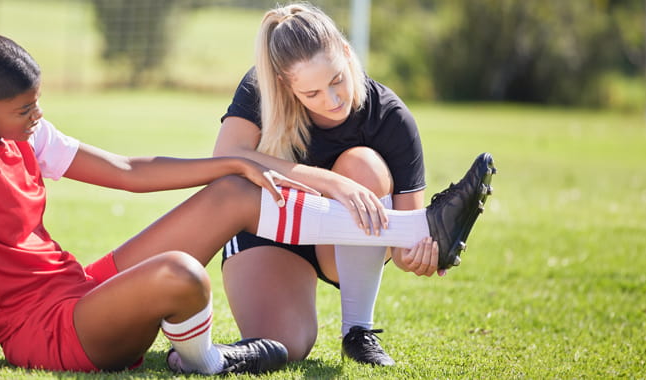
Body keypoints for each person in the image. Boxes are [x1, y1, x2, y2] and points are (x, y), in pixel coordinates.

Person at [0, 33, 491, 375]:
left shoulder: (23, 133)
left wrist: (236, 162)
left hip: (77, 291)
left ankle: (418, 228)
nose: (37, 118)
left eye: (38, 103)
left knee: (232, 191)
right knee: (182, 276)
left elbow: (130, 172)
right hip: (43, 331)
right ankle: (205, 361)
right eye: (23, 109)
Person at [212, 3, 495, 367]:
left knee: (363, 164)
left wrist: (421, 251)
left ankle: (358, 331)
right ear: (285, 83)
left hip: (340, 247)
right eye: (312, 94)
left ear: (347, 53)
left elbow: (401, 251)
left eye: (336, 80)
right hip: (270, 230)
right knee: (284, 345)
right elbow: (225, 157)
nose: (331, 100)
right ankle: (204, 358)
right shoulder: (262, 86)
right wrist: (330, 183)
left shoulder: (390, 117)